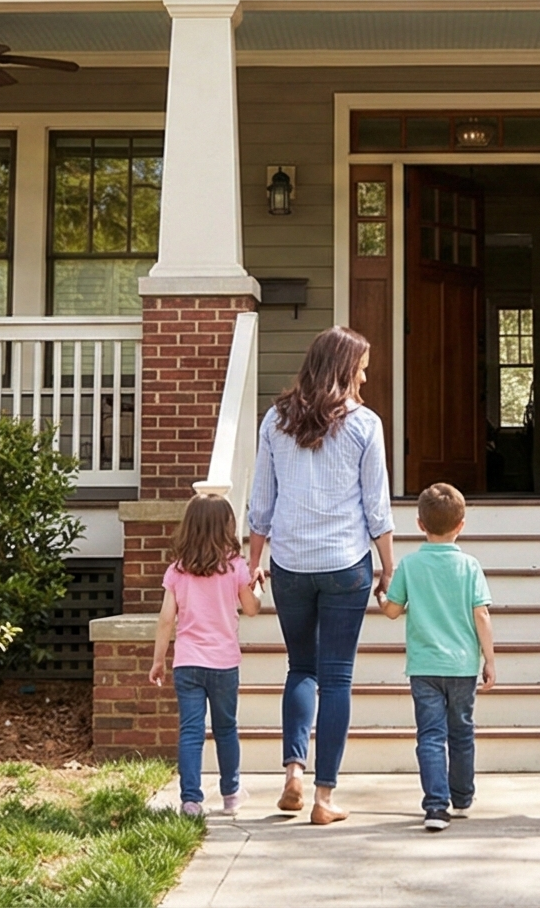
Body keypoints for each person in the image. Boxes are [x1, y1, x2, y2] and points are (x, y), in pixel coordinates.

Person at [247, 325, 397, 826]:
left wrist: (254, 562)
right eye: (362, 364)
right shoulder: (365, 425)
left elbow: (260, 503)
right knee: (336, 678)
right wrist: (389, 566)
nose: (366, 373)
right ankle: (324, 797)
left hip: (290, 563)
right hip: (345, 563)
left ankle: (292, 770)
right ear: (343, 367)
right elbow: (376, 506)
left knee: (300, 668)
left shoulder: (275, 420)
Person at [376, 481, 496, 832]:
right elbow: (482, 615)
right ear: (461, 525)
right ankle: (462, 795)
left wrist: (381, 597)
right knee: (461, 731)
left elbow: (394, 611)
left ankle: (435, 806)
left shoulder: (410, 566)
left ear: (420, 524)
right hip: (462, 666)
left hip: (424, 666)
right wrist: (488, 659)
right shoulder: (470, 566)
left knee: (430, 735)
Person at [148, 493, 260, 818]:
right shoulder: (235, 567)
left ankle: (191, 800)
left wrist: (158, 660)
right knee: (226, 729)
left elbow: (166, 618)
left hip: (187, 663)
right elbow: (251, 609)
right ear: (226, 527)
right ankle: (231, 793)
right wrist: (257, 585)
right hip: (224, 664)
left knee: (191, 731)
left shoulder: (177, 571)